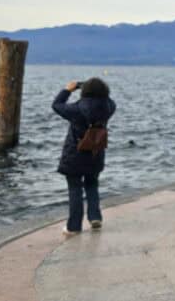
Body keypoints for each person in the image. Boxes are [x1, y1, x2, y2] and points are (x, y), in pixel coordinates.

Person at [52, 78, 116, 236]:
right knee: (92, 184)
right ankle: (95, 217)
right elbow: (108, 100)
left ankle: (74, 227)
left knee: (75, 189)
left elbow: (56, 105)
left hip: (75, 155)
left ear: (84, 92)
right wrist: (99, 91)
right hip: (96, 153)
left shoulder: (77, 108)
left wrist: (68, 90)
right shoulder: (109, 107)